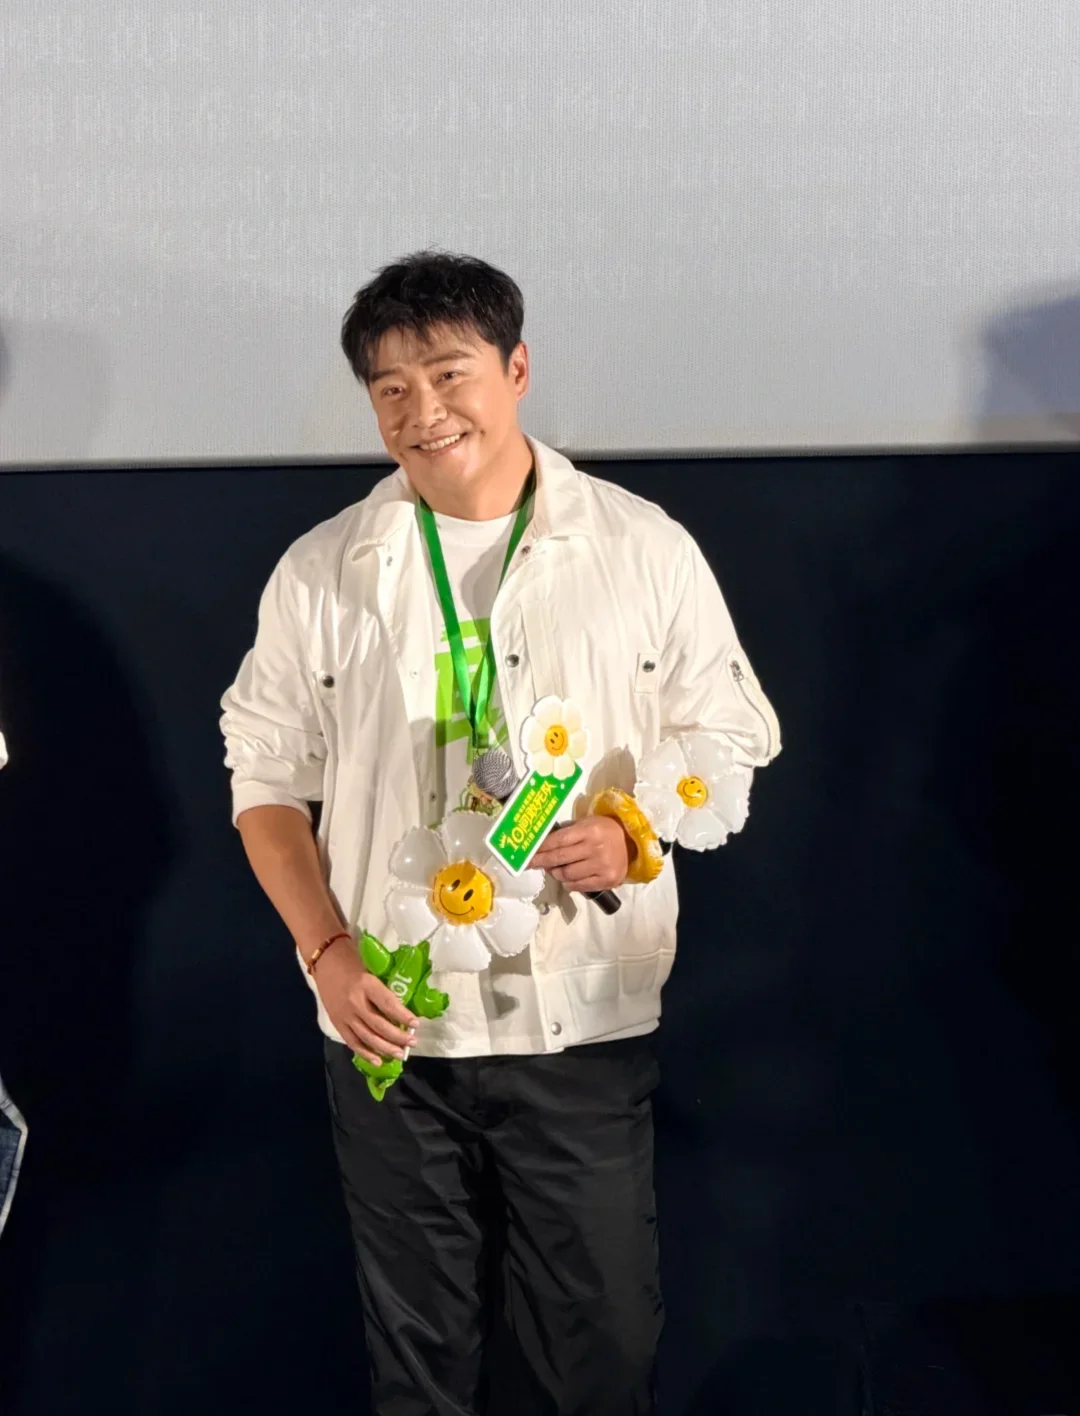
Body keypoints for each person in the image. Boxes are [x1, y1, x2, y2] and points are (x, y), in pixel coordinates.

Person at [220, 250, 780, 1415]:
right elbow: (264, 780)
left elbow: (732, 733)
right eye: (390, 388)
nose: (423, 410)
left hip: (578, 1012)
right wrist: (326, 952)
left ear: (516, 369)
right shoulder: (323, 571)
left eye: (448, 373)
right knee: (418, 1363)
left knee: (601, 1348)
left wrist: (634, 833)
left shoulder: (640, 548)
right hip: (392, 1021)